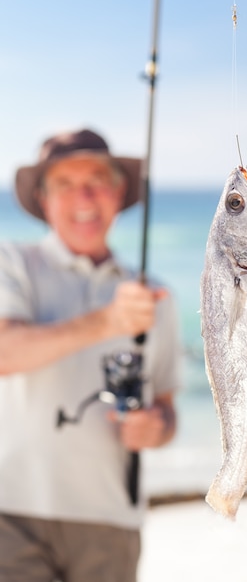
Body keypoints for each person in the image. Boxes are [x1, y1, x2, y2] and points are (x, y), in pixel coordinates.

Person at [0, 129, 181, 582]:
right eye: (64, 183)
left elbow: (167, 411)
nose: (84, 195)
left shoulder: (156, 294)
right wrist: (107, 322)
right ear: (43, 199)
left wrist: (154, 428)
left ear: (119, 193)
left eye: (97, 179)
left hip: (111, 520)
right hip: (10, 512)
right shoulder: (12, 264)